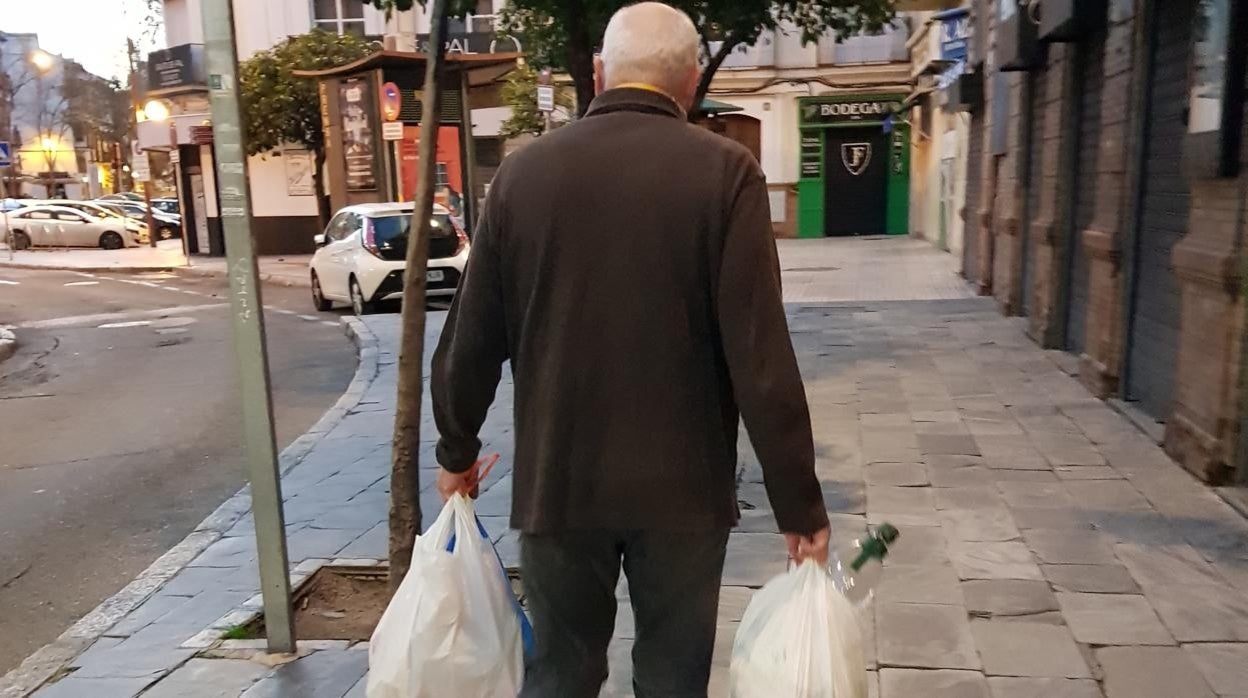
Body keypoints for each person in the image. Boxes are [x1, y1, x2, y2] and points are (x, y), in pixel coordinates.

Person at [431, 3, 830, 696]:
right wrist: (799, 505)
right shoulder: (726, 175)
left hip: (560, 483)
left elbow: (471, 338)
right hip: (684, 494)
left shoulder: (523, 177)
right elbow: (760, 359)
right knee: (673, 679)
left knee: (560, 674)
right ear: (691, 79)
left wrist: (456, 451)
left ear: (597, 72)